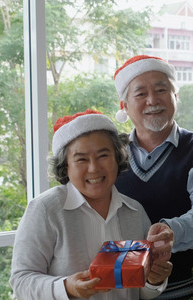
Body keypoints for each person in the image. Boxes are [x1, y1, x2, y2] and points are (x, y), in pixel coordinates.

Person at [10, 109, 174, 300]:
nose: (94, 168)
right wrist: (67, 288)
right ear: (65, 166)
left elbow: (140, 291)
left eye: (103, 155)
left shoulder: (135, 212)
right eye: (81, 159)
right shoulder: (45, 209)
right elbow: (21, 282)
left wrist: (154, 280)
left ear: (117, 157)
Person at [113, 55, 193, 299]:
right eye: (140, 93)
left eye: (162, 89)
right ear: (124, 105)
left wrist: (170, 231)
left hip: (190, 291)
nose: (152, 100)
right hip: (124, 292)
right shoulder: (110, 153)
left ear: (176, 97)